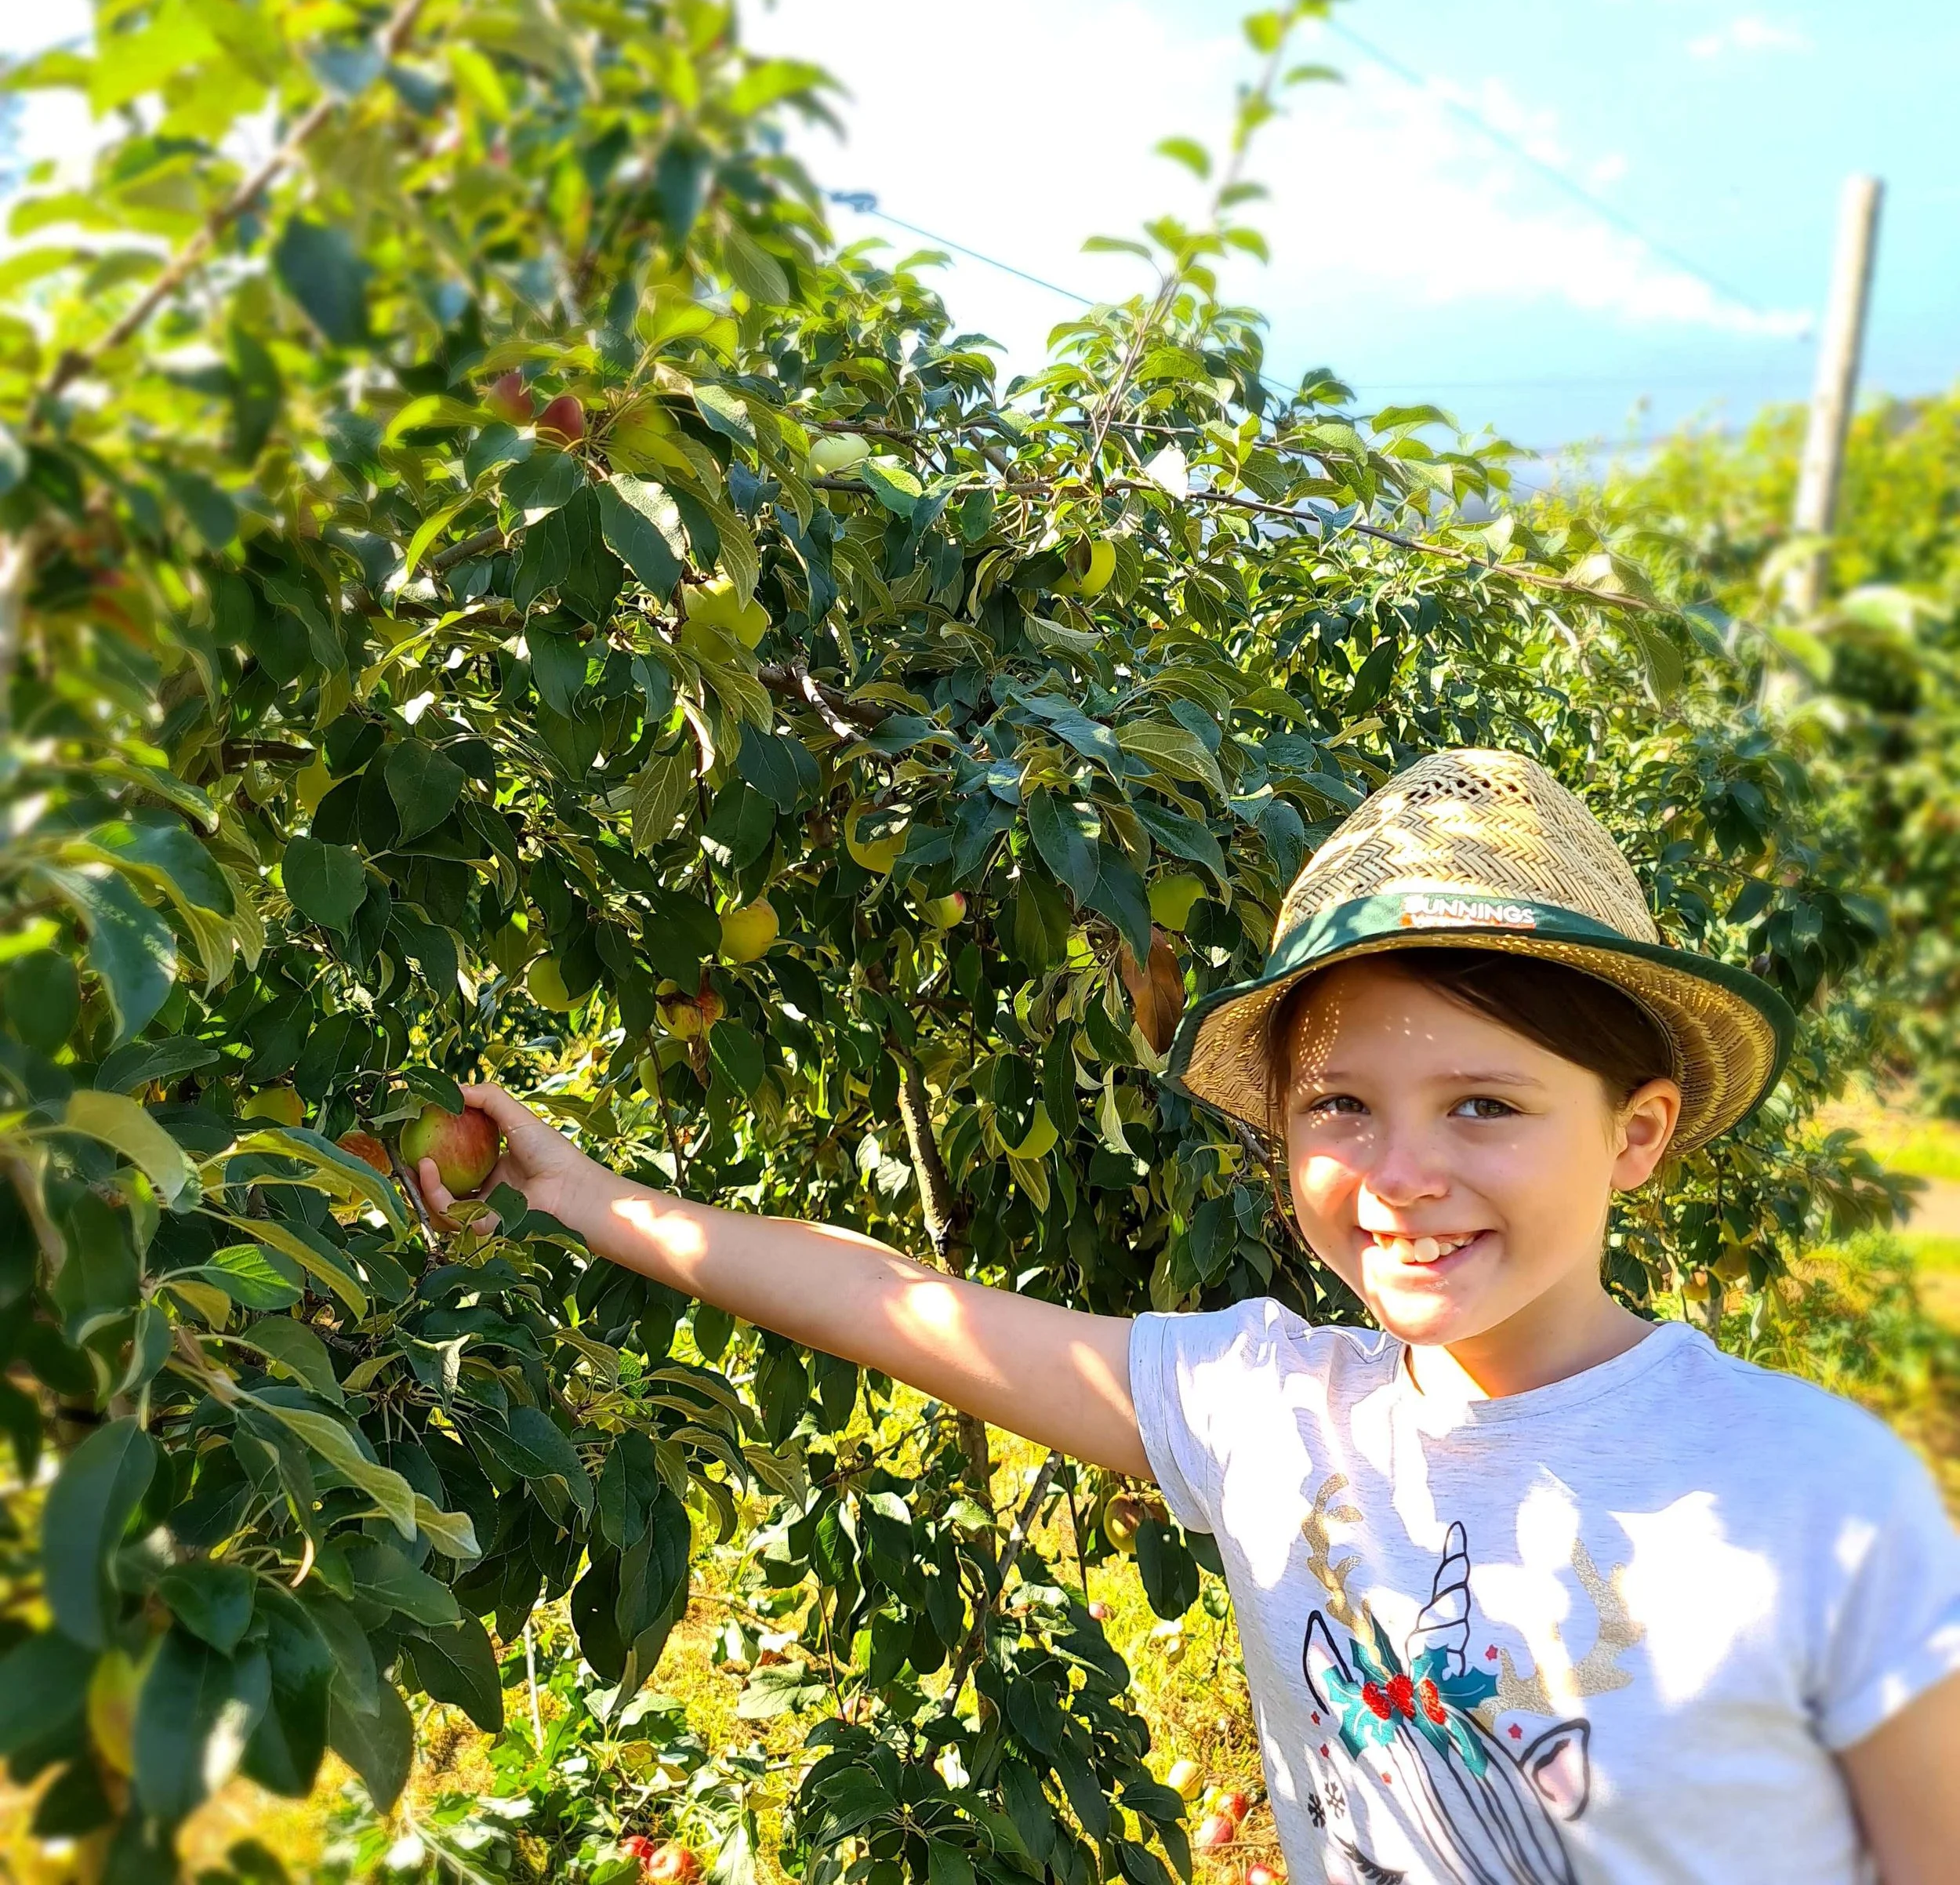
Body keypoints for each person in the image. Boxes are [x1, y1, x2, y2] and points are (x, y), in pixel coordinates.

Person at [419, 748, 1960, 1883]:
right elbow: (899, 1304)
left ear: (1632, 1132)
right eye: (1340, 1104)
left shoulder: (1814, 1497)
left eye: (1485, 1102)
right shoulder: (1265, 1407)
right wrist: (586, 1198)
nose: (1402, 1173)